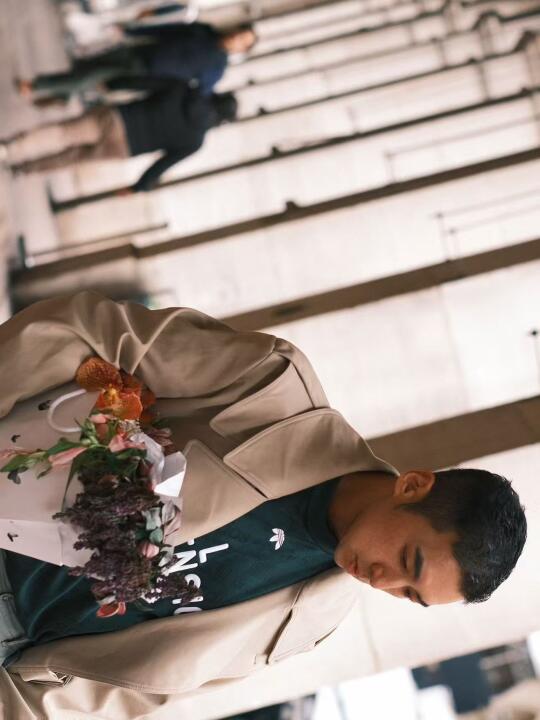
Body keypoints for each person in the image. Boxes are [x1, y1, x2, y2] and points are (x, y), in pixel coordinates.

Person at [0, 292, 527, 718]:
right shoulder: (274, 391)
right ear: (412, 487)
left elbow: (132, 692)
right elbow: (96, 336)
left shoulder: (310, 622)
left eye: (408, 594)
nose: (383, 582)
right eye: (407, 560)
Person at [2, 78, 237, 191]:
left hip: (119, 119)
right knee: (71, 158)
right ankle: (22, 170)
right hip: (124, 147)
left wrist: (112, 83)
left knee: (63, 134)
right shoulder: (195, 140)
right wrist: (138, 187)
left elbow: (145, 82)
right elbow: (162, 165)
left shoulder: (185, 90)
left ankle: (9, 149)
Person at [16, 21, 257, 101]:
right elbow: (166, 30)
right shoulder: (204, 31)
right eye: (240, 33)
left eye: (242, 41)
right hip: (140, 51)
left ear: (241, 49)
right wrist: (132, 31)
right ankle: (61, 93)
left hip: (144, 74)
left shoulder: (216, 70)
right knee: (87, 67)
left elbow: (190, 93)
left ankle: (37, 85)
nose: (236, 38)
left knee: (88, 78)